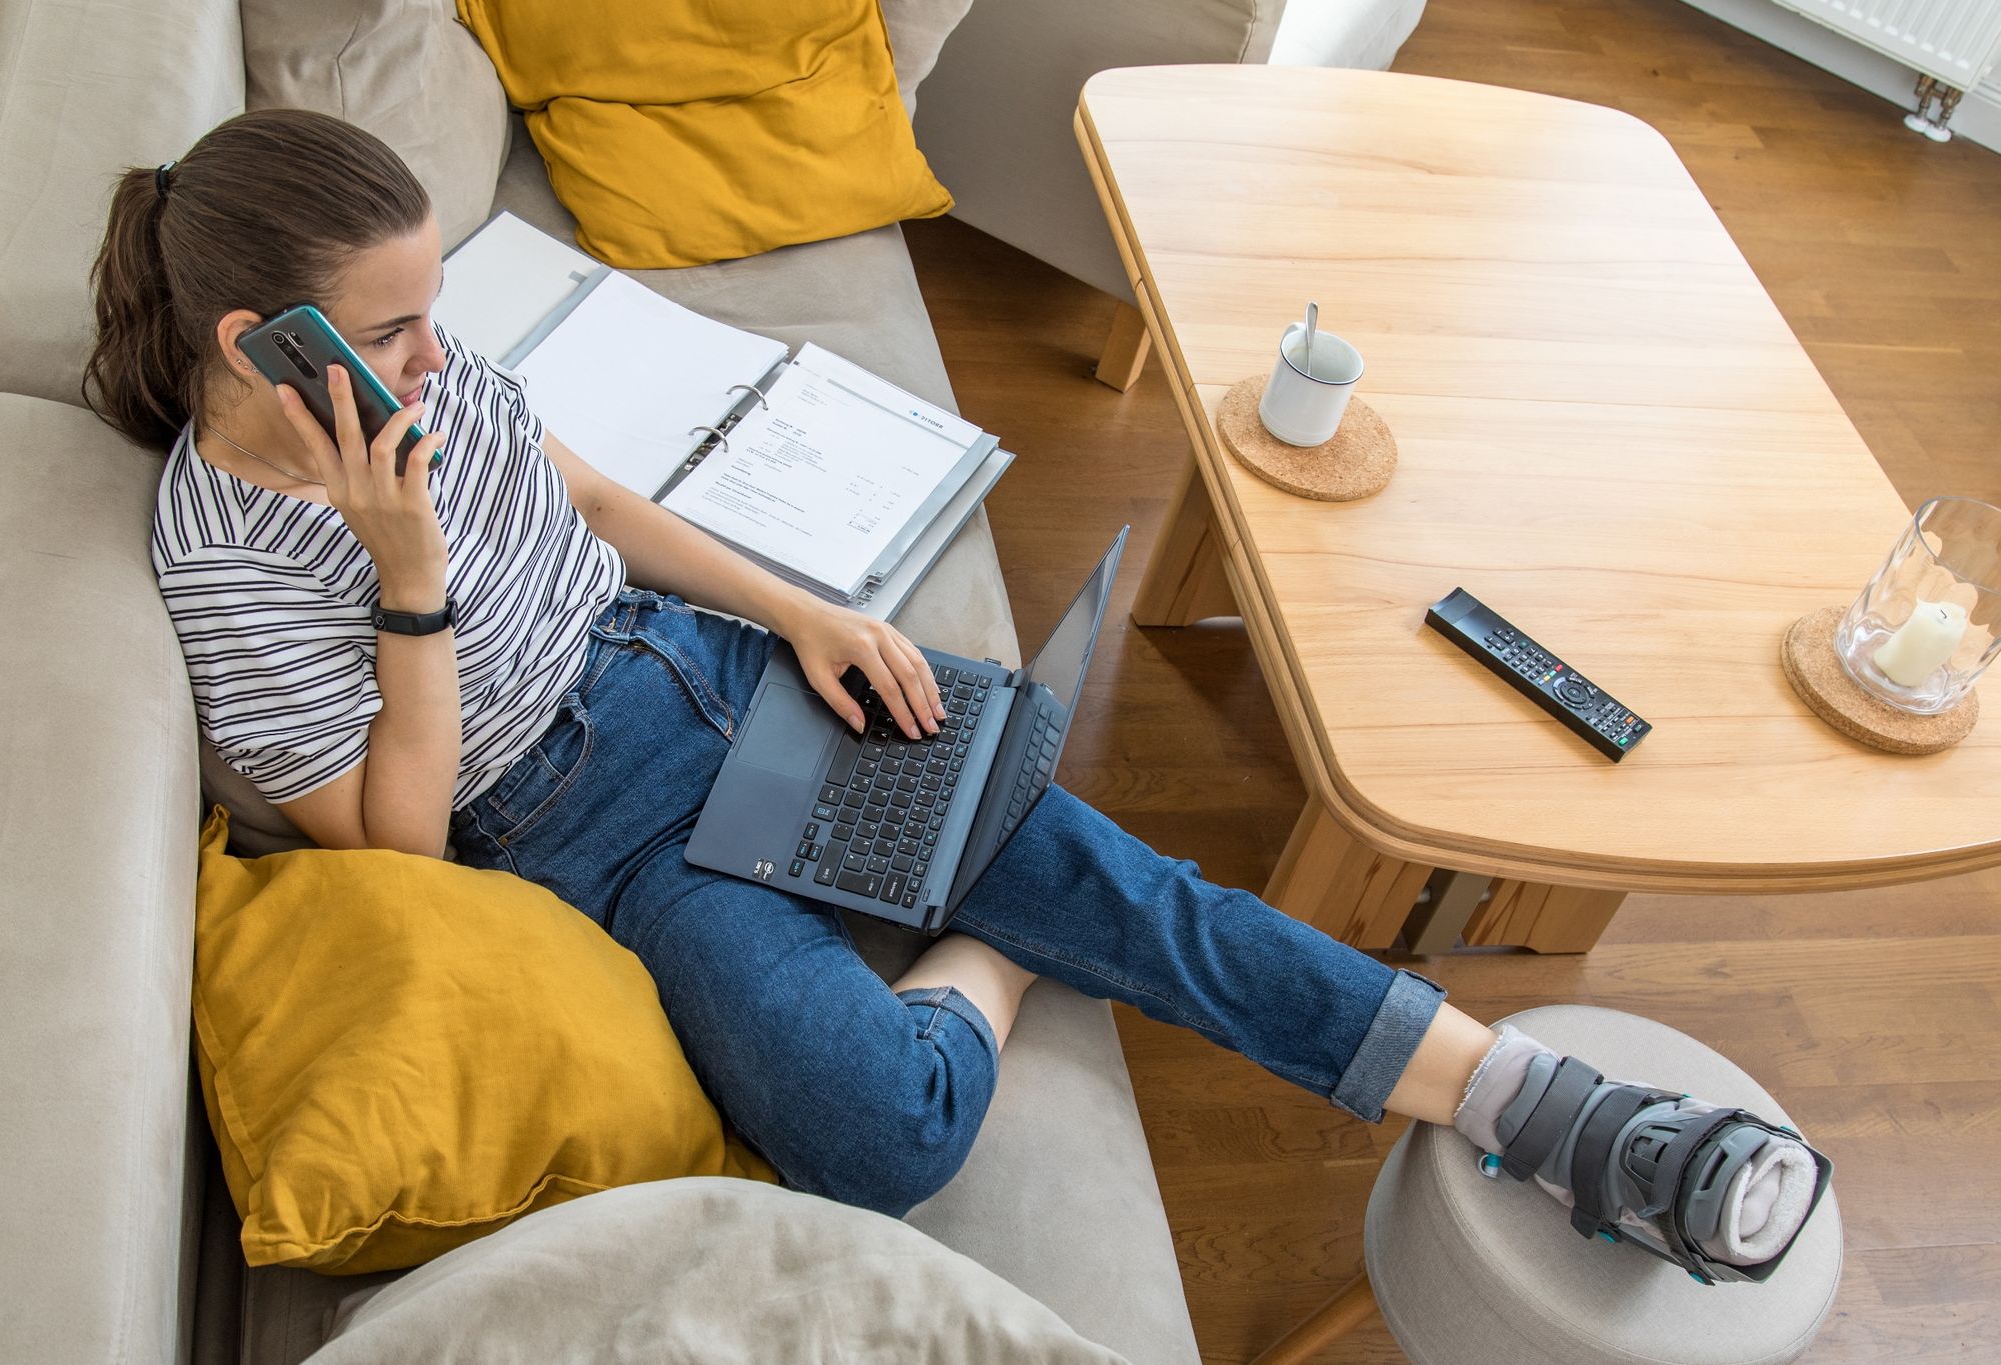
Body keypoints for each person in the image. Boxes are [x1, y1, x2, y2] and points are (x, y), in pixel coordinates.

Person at [94, 108, 1827, 1283]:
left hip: (714, 670)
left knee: (1148, 893)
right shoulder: (220, 565)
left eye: (433, 316)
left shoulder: (427, 376)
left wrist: (813, 611)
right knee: (878, 1125)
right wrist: (410, 580)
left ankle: (1552, 1110)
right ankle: (997, 935)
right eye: (394, 331)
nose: (432, 357)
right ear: (262, 345)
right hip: (585, 831)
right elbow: (404, 845)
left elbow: (601, 508)